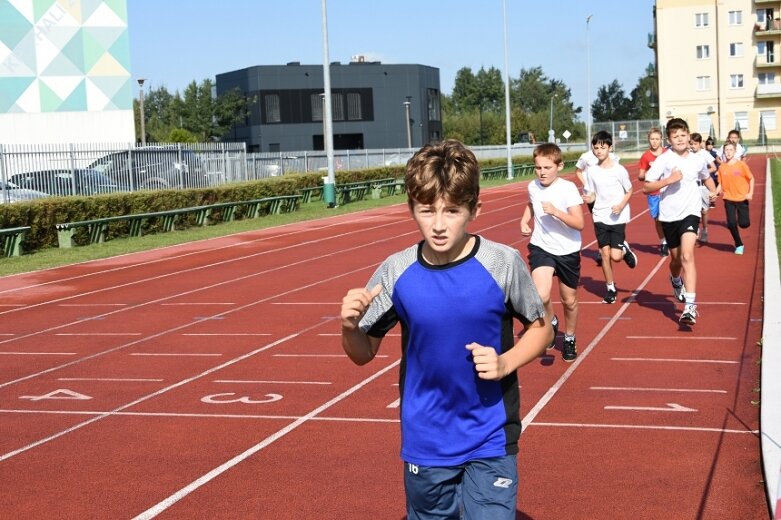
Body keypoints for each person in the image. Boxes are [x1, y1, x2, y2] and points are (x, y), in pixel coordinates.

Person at [340, 139, 550, 519]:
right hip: (426, 439)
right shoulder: (397, 271)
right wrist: (349, 327)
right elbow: (362, 353)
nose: (438, 225)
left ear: (474, 209)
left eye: (452, 211)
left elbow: (541, 329)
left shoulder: (502, 263)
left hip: (491, 434)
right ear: (411, 209)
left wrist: (505, 363)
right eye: (427, 211)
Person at [643, 118, 717, 326]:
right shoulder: (664, 160)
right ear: (669, 139)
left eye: (683, 135)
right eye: (675, 136)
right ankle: (676, 280)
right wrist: (668, 180)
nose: (680, 139)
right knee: (675, 261)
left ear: (688, 135)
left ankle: (690, 307)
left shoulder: (697, 159)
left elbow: (706, 177)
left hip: (691, 213)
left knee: (687, 255)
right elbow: (647, 187)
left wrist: (713, 191)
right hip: (669, 216)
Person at [520, 143, 585, 362]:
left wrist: (556, 212)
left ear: (559, 166)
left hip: (567, 250)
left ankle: (569, 337)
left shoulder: (568, 189)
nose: (542, 172)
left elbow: (579, 223)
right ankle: (550, 323)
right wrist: (524, 219)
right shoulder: (533, 186)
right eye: (538, 168)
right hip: (541, 246)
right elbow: (531, 204)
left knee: (569, 301)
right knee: (541, 294)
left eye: (547, 167)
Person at [581, 131, 638, 304]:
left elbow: (630, 190)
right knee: (604, 254)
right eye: (596, 147)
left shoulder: (619, 170)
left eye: (602, 147)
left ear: (610, 148)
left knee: (615, 256)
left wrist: (620, 205)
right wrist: (589, 199)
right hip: (599, 215)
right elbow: (591, 193)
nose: (599, 151)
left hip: (617, 217)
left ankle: (625, 249)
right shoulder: (591, 171)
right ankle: (610, 288)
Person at [716, 141, 755, 254]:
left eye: (730, 150)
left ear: (734, 151)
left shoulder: (741, 165)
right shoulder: (722, 167)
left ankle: (742, 218)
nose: (728, 152)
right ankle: (739, 244)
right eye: (726, 150)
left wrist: (750, 193)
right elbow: (720, 183)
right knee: (731, 223)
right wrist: (715, 192)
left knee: (744, 224)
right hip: (728, 199)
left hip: (742, 198)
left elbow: (751, 178)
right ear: (724, 152)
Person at [637, 127, 668, 256]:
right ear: (648, 140)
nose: (654, 141)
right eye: (652, 139)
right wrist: (649, 174)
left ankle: (672, 239)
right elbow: (640, 176)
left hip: (667, 191)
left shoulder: (668, 153)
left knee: (669, 217)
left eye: (657, 139)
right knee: (658, 219)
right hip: (654, 192)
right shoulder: (646, 156)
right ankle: (663, 242)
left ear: (661, 139)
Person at [689, 133, 717, 243]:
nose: (693, 146)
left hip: (703, 186)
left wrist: (702, 173)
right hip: (692, 187)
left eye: (695, 144)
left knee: (704, 211)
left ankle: (705, 229)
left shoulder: (705, 154)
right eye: (691, 144)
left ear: (700, 144)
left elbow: (713, 167)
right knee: (693, 210)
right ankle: (695, 230)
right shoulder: (688, 154)